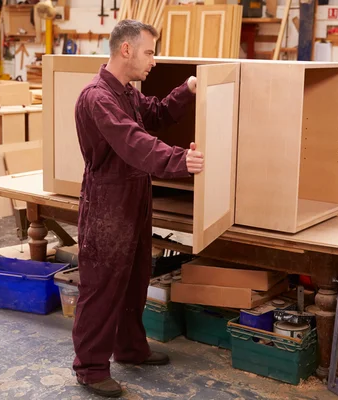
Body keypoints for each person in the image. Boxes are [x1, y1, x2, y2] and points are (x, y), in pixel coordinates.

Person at [71, 19, 204, 398]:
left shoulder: (127, 93)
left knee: (134, 279)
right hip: (107, 202)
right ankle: (91, 368)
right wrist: (181, 161)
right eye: (149, 51)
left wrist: (188, 89)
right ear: (125, 49)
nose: (154, 61)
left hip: (134, 196)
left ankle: (129, 349)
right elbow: (135, 143)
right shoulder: (98, 97)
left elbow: (157, 115)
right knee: (102, 285)